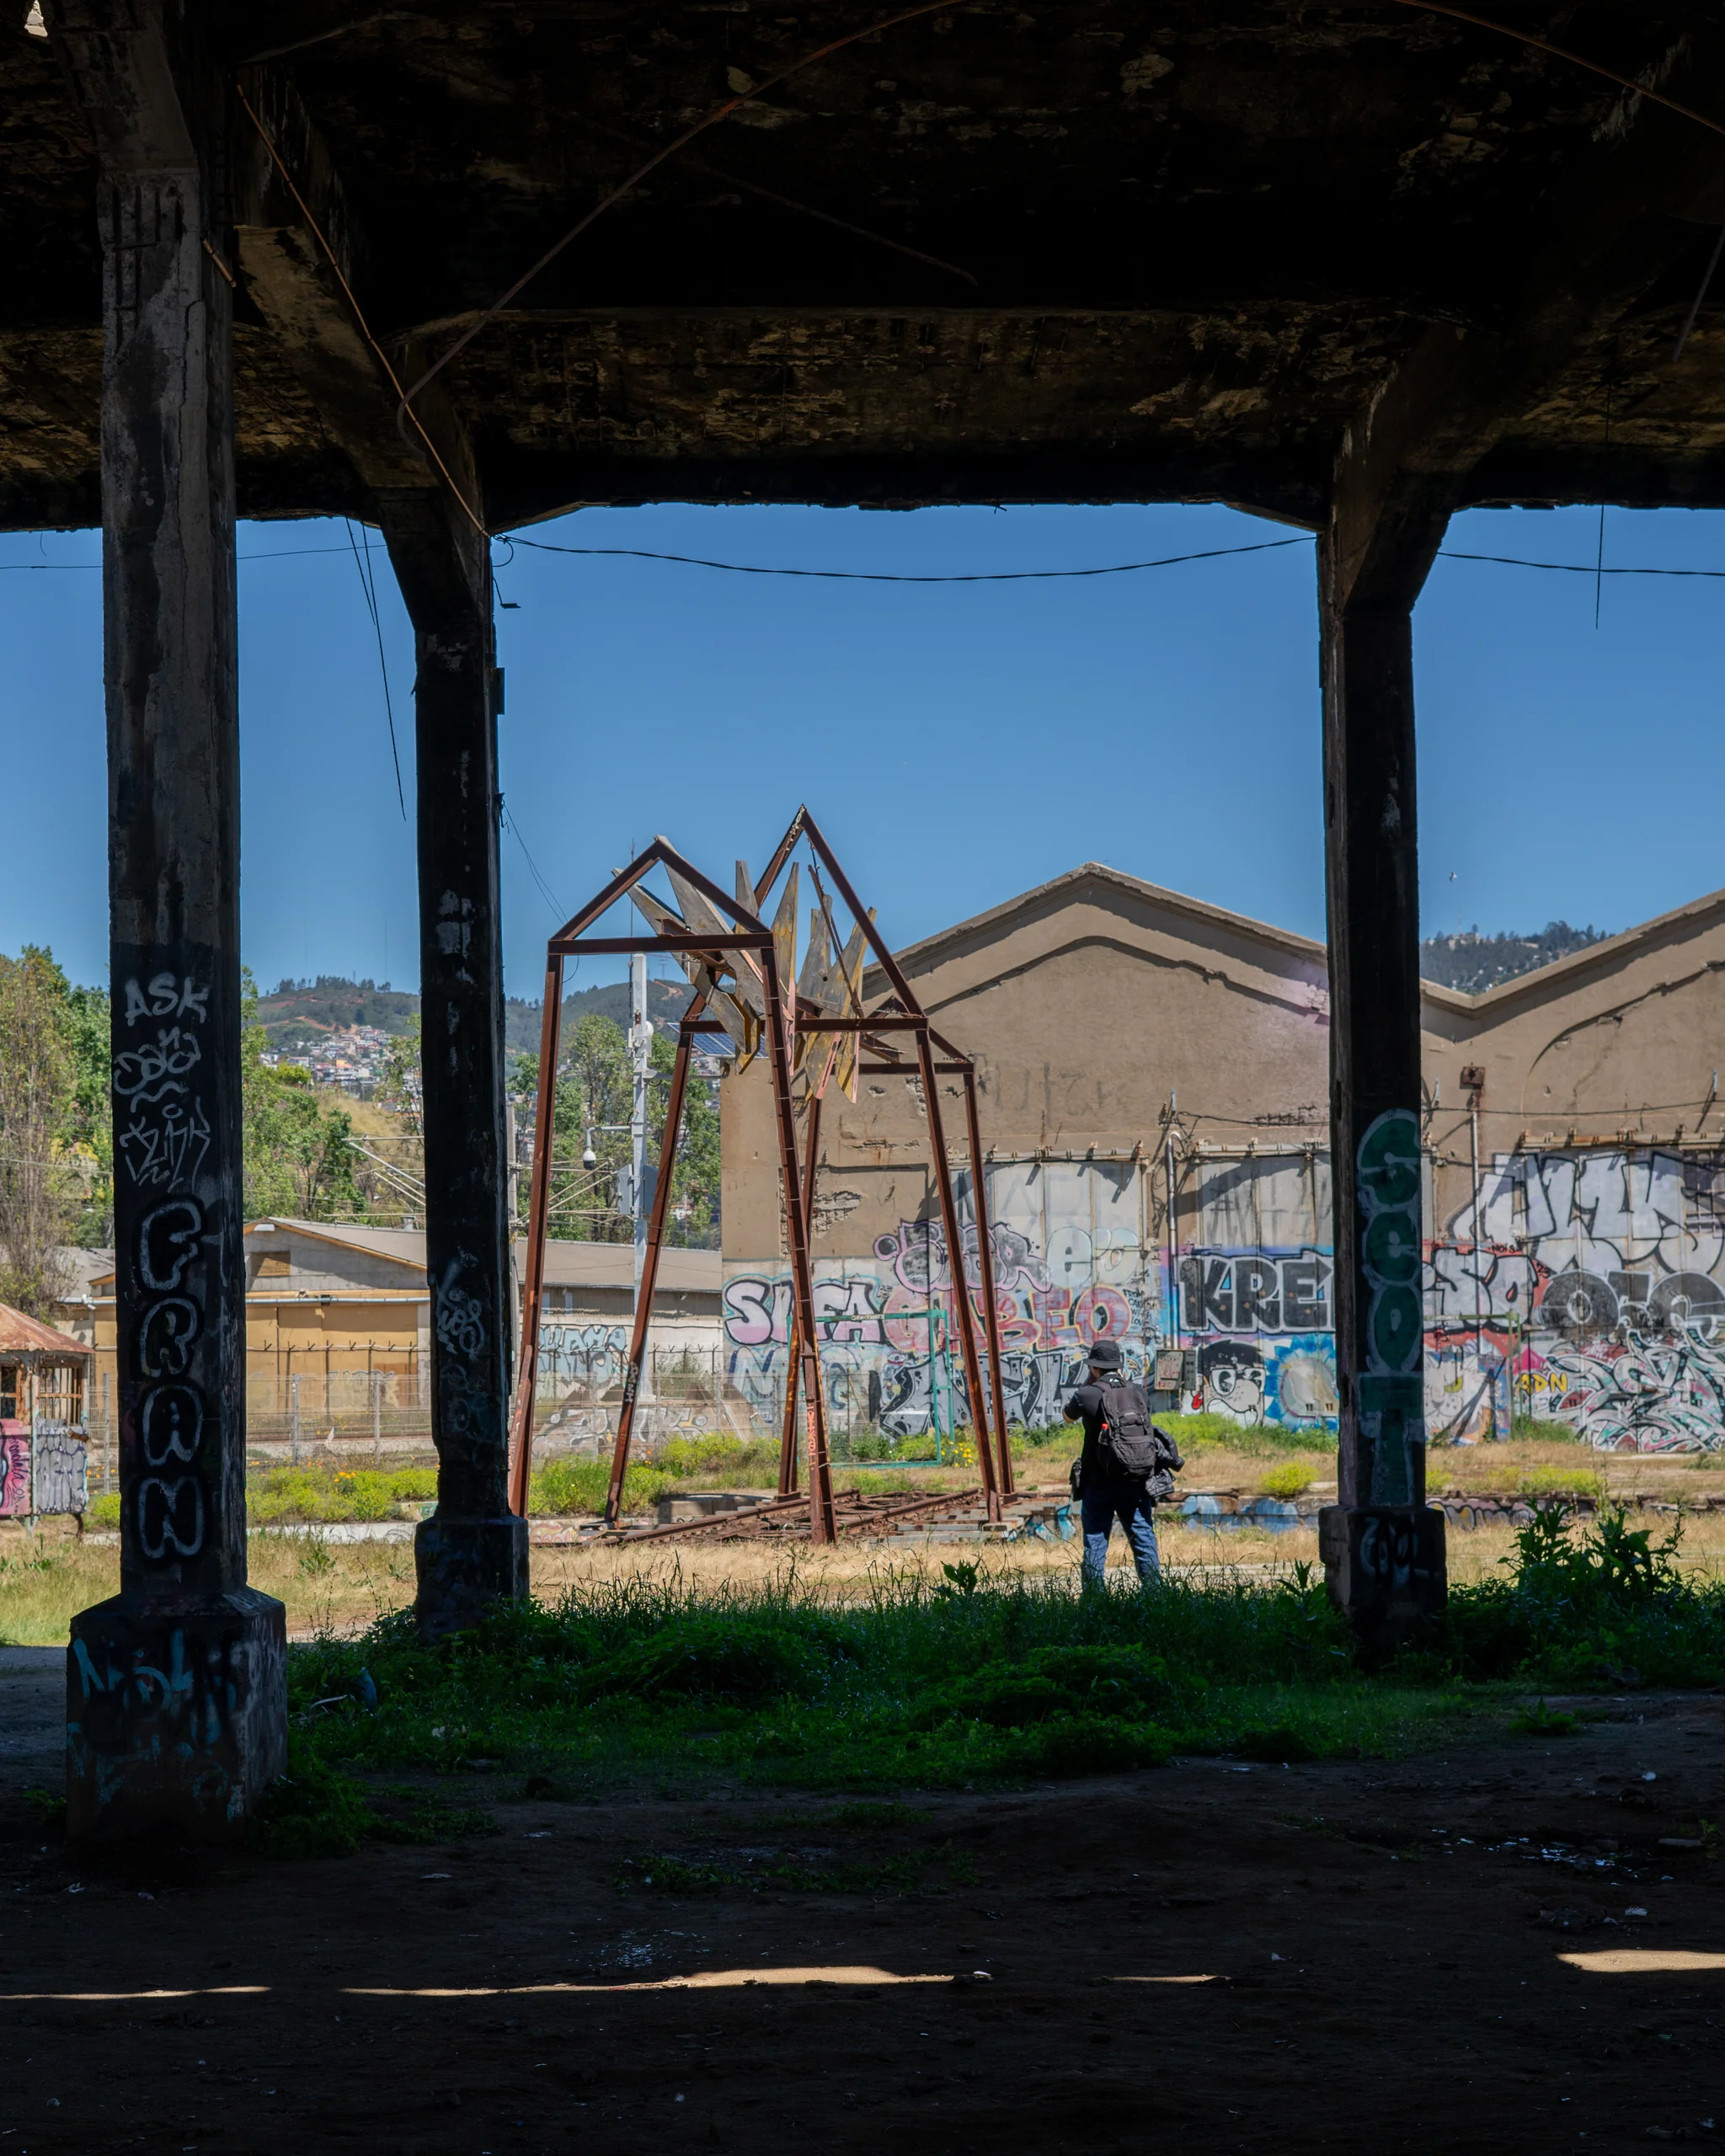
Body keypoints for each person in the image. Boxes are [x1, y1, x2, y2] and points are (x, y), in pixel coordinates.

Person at [1063, 1340, 1180, 1587]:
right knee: (1143, 1536)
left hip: (1098, 1483)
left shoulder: (1086, 1394)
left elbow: (1068, 1417)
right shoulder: (1138, 1392)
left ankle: (1095, 1602)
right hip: (1135, 1479)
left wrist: (1089, 1383)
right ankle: (1154, 1596)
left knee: (1095, 1541)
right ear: (1119, 1365)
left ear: (1094, 1367)